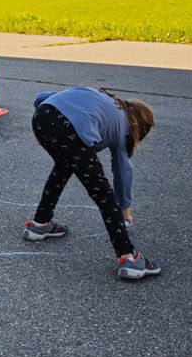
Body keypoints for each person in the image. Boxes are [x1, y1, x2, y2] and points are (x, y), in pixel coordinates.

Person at [24, 86, 161, 280]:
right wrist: (124, 208)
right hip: (69, 130)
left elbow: (41, 97)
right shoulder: (124, 125)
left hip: (42, 117)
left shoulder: (102, 99)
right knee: (103, 194)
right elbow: (123, 171)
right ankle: (129, 258)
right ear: (137, 125)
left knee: (63, 167)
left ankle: (40, 223)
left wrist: (43, 125)